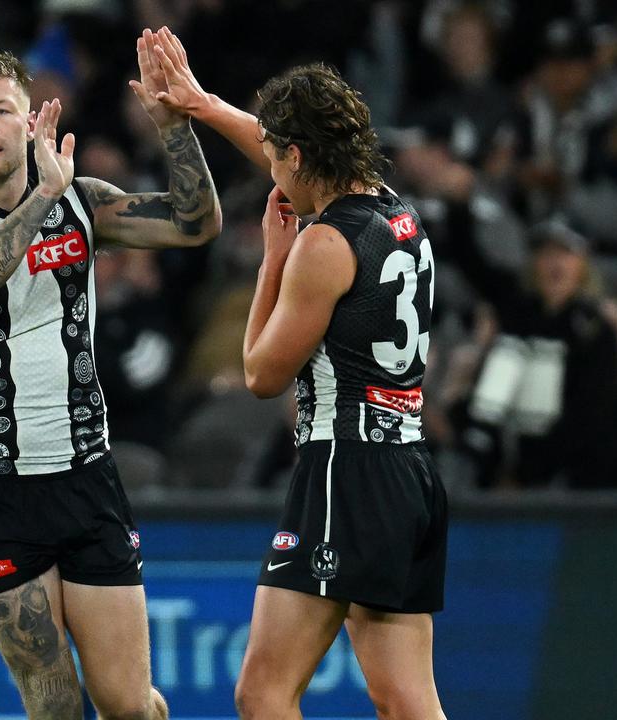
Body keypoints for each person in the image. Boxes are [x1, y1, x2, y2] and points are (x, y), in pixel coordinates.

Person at [0, 47, 221, 718]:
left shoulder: (83, 203)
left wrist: (173, 127)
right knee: (55, 707)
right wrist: (41, 195)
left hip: (84, 478)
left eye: (0, 110)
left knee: (129, 706)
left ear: (31, 122)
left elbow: (196, 224)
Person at [147, 28, 448, 719]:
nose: (272, 174)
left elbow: (260, 373)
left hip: (347, 470)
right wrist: (203, 104)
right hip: (404, 468)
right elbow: (283, 149)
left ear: (301, 156)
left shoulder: (322, 246)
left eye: (278, 160)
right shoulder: (394, 212)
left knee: (264, 694)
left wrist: (271, 261)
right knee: (406, 700)